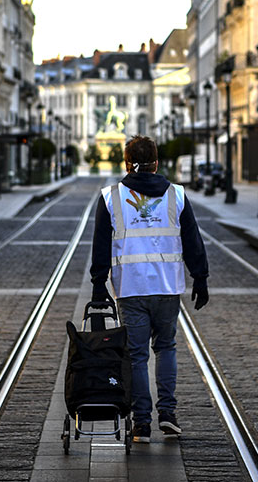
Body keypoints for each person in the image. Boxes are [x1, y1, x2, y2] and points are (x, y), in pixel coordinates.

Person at [90, 135, 209, 444]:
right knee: (166, 348)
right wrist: (201, 277)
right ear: (157, 163)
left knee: (138, 355)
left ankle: (142, 424)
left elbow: (100, 244)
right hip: (168, 287)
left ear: (127, 163)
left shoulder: (110, 197)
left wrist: (98, 284)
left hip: (130, 288)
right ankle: (167, 414)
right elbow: (193, 241)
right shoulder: (177, 196)